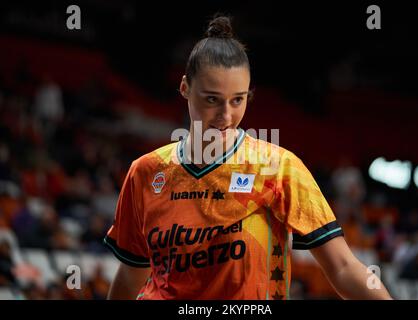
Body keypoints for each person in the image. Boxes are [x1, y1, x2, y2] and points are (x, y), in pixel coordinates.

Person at [104, 15, 392, 300]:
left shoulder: (278, 168)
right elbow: (132, 274)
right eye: (212, 99)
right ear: (185, 88)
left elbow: (342, 267)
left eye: (237, 99)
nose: (226, 116)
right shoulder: (146, 172)